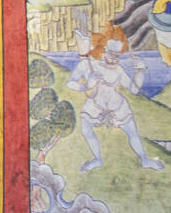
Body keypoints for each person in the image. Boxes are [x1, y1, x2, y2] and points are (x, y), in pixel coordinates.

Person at [67, 26, 164, 171]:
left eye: (117, 56)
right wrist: (87, 85)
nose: (113, 58)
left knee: (132, 133)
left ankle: (145, 159)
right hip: (95, 107)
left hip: (118, 108)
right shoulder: (87, 65)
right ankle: (97, 159)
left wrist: (140, 72)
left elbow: (133, 89)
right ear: (103, 51)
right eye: (111, 54)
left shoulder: (118, 70)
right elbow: (70, 83)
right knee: (87, 130)